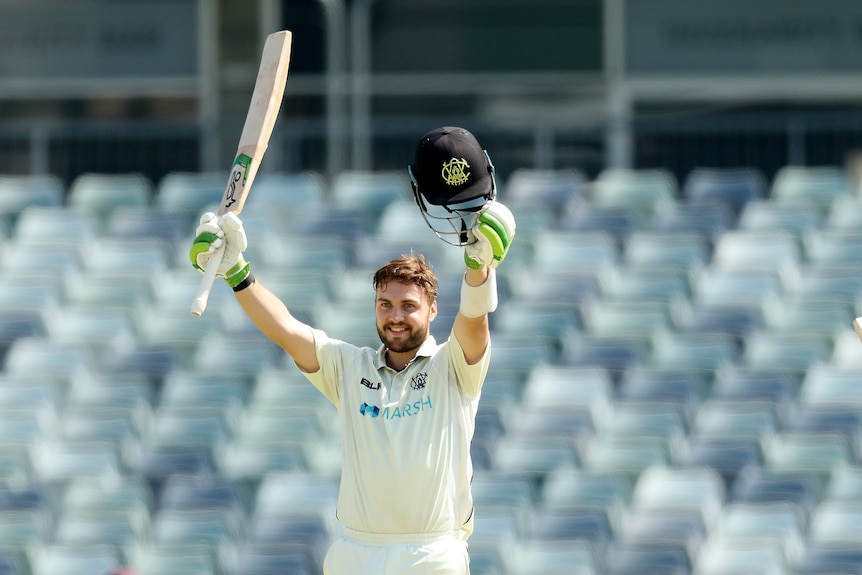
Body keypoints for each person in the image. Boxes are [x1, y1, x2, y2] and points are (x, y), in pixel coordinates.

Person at [189, 126, 516, 575]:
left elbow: (474, 324)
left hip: (433, 552)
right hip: (355, 553)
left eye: (408, 306)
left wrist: (479, 269)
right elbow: (285, 329)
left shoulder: (452, 367)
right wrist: (236, 272)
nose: (395, 316)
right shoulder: (349, 366)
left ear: (432, 310)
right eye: (386, 305)